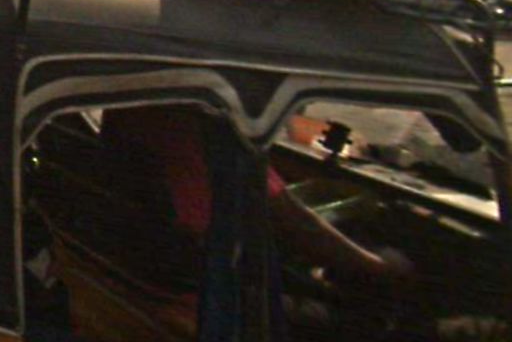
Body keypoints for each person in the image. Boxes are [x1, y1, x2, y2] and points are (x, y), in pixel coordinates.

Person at [101, 105, 413, 340]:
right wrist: (377, 266)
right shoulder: (214, 137)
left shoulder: (136, 110)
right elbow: (299, 226)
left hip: (144, 267)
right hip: (202, 295)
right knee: (355, 322)